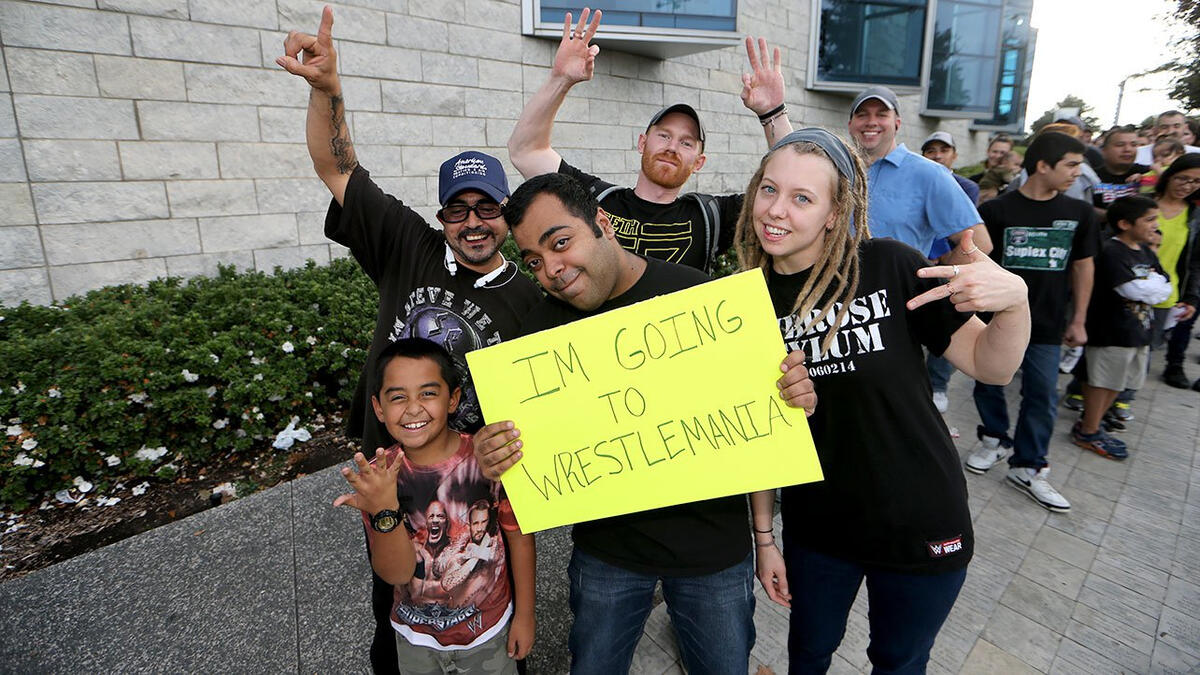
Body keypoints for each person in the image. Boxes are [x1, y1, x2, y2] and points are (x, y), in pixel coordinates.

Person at [276, 9, 543, 672]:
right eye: (459, 208)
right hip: (390, 476)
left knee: (486, 599)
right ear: (442, 215)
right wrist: (326, 89)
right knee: (394, 607)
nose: (474, 221)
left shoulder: (533, 297)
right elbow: (335, 166)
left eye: (489, 207)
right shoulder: (407, 245)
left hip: (478, 486)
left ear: (507, 215)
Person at [472, 172, 818, 674]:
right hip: (607, 553)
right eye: (533, 261)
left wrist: (765, 536)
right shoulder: (539, 332)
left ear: (603, 224)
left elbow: (757, 431)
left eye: (561, 243)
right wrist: (492, 452)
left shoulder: (702, 300)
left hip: (714, 552)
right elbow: (514, 445)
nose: (552, 269)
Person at [731, 127, 1030, 672]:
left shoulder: (890, 265)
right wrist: (765, 538)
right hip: (818, 529)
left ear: (833, 211)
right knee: (808, 654)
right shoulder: (746, 301)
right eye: (769, 190)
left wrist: (1016, 303)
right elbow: (755, 435)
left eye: (803, 198)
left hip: (919, 517)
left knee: (898, 661)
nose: (776, 210)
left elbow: (993, 364)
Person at [507, 9, 792, 273]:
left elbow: (793, 188)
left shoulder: (711, 218)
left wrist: (772, 113)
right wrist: (560, 79)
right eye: (664, 135)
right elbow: (526, 151)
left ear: (699, 162)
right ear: (642, 143)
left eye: (686, 143)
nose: (672, 147)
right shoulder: (595, 199)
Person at [332, 338, 535, 673]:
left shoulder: (488, 461)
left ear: (453, 399)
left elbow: (520, 537)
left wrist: (525, 615)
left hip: (489, 631)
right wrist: (385, 509)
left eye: (428, 393)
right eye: (398, 397)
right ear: (378, 407)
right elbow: (396, 574)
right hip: (415, 637)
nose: (413, 408)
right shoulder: (377, 479)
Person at [964, 131, 1100, 512]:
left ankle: (1028, 466)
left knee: (1041, 395)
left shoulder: (1079, 214)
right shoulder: (996, 212)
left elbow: (1084, 268)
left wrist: (1080, 319)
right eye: (1071, 164)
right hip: (994, 324)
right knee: (988, 384)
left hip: (1048, 325)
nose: (1078, 172)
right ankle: (993, 438)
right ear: (1043, 165)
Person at [1071, 197, 1171, 460]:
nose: (1155, 225)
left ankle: (1094, 424)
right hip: (1111, 332)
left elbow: (1165, 286)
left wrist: (1151, 288)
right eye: (1149, 219)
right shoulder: (1111, 251)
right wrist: (1151, 287)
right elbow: (1132, 288)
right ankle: (1089, 429)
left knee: (1120, 382)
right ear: (1125, 223)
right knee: (1101, 381)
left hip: (1138, 332)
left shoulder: (1145, 250)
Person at [846, 86, 990, 258]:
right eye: (862, 115)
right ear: (850, 124)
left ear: (897, 123)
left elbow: (979, 242)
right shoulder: (838, 169)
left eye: (882, 114)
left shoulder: (930, 173)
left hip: (898, 285)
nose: (871, 121)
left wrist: (938, 280)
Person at [921, 130, 981, 412]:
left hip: (944, 269)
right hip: (920, 265)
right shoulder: (918, 180)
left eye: (943, 150)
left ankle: (939, 385)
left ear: (954, 155)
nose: (936, 155)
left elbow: (965, 234)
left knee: (947, 324)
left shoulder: (964, 187)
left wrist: (946, 266)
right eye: (930, 150)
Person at [1152, 154, 1200, 389]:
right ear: (1169, 175)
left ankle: (1121, 401)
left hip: (1165, 294)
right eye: (1183, 178)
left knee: (1147, 348)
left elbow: (1195, 262)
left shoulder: (1195, 217)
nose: (1188, 186)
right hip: (1125, 287)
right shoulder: (1143, 204)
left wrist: (1191, 297)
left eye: (1196, 182)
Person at [1093, 126, 1149, 211]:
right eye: (1120, 145)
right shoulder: (1092, 176)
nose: (1127, 149)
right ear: (1104, 151)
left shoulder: (1147, 172)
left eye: (1133, 145)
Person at [1135, 110, 1200, 165]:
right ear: (1155, 130)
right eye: (1164, 127)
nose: (1170, 131)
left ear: (1185, 127)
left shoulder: (1197, 153)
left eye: (1176, 126)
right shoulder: (1137, 153)